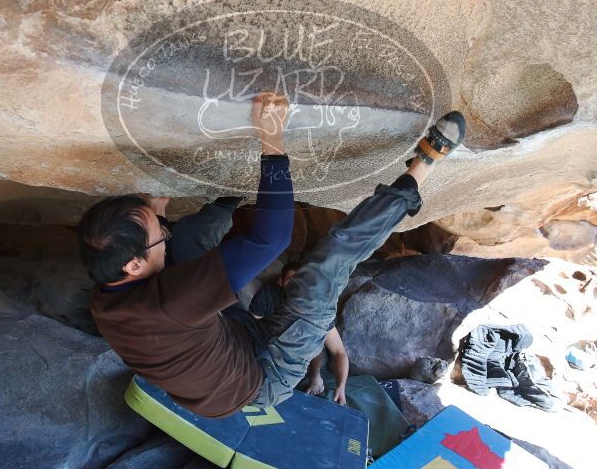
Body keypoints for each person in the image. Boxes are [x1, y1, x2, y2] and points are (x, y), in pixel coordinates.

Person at [78, 90, 466, 418]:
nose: (163, 228)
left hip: (223, 344)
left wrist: (156, 215)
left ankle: (229, 193)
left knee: (185, 243)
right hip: (265, 373)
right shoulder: (169, 303)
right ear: (132, 264)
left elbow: (165, 271)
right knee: (327, 264)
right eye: (157, 232)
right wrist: (271, 139)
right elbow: (271, 238)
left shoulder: (107, 292)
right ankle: (422, 167)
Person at [249, 261, 350, 405]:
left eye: (301, 281)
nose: (297, 286)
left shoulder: (317, 309)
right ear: (281, 282)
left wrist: (341, 387)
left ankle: (315, 377)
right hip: (267, 349)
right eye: (291, 280)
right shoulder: (269, 295)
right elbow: (252, 327)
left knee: (314, 338)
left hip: (298, 359)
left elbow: (340, 352)